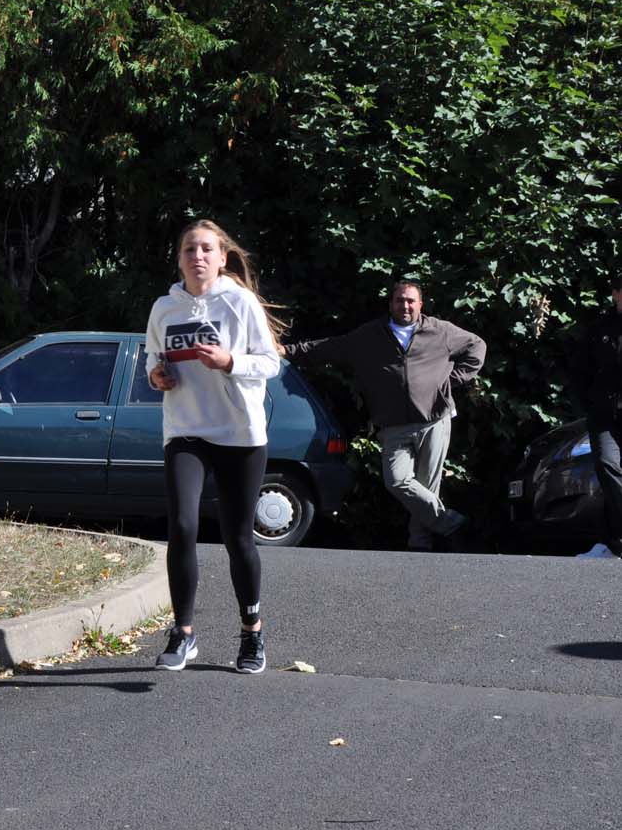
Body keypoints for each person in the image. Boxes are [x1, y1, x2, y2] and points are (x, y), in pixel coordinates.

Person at [145, 219, 284, 674]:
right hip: (185, 429)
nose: (198, 256)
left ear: (222, 258)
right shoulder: (165, 308)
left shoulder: (239, 303)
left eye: (206, 249)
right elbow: (152, 359)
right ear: (180, 258)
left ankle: (252, 633)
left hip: (239, 433)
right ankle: (183, 633)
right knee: (182, 525)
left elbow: (270, 363)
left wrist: (230, 361)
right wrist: (156, 376)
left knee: (237, 537)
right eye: (190, 249)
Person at [287, 281, 486, 551]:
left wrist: (453, 381)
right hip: (393, 423)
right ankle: (451, 523)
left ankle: (419, 544)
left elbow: (477, 345)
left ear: (420, 305)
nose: (405, 306)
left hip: (434, 419)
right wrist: (289, 351)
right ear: (390, 304)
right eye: (399, 301)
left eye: (411, 301)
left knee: (427, 484)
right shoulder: (370, 336)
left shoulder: (440, 331)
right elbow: (331, 347)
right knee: (397, 480)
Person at [571, 274, 622, 559]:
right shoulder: (598, 329)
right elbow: (580, 371)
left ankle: (615, 540)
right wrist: (588, 405)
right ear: (615, 294)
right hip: (604, 414)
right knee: (607, 465)